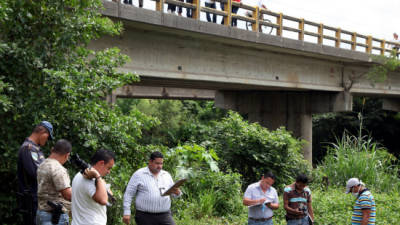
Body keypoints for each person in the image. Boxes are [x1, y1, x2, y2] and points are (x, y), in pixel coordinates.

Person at [122, 151, 182, 225]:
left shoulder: (166, 175)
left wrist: (177, 193)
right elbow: (129, 194)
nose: (159, 166)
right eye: (157, 163)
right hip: (145, 216)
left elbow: (174, 194)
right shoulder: (139, 174)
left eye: (161, 163)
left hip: (165, 215)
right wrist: (126, 212)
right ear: (150, 162)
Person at [17, 121, 54, 225]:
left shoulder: (36, 149)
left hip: (36, 199)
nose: (47, 140)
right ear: (42, 132)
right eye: (47, 137)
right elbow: (37, 173)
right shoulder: (28, 149)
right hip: (30, 200)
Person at [71, 149, 116, 225]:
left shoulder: (78, 175)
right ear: (101, 163)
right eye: (108, 168)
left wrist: (100, 180)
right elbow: (104, 200)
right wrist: (98, 177)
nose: (109, 172)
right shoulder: (90, 179)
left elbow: (110, 196)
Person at [36, 139, 72, 225]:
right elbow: (68, 195)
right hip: (54, 217)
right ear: (67, 155)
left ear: (53, 150)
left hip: (41, 213)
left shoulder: (42, 164)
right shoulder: (58, 169)